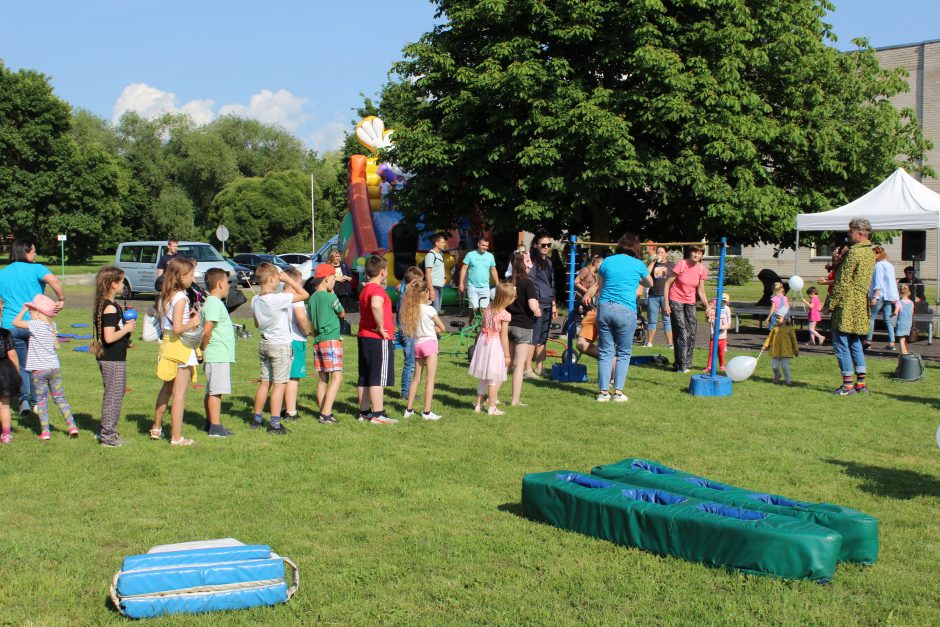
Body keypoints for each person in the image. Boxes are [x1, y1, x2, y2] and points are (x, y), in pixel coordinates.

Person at [0, 237, 65, 415]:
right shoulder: (36, 268)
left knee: (21, 365)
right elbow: (55, 281)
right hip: (35, 324)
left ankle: (24, 401)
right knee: (37, 364)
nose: (35, 253)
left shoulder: (3, 272)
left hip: (10, 325)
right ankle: (37, 401)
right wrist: (61, 299)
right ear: (25, 251)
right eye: (33, 250)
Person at [250, 262, 308, 434]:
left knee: (264, 383)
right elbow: (304, 294)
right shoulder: (277, 299)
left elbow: (256, 323)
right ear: (273, 279)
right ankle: (274, 423)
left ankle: (257, 418)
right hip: (280, 345)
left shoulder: (255, 299)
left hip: (265, 343)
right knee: (280, 384)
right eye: (278, 278)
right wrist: (288, 279)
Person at [594, 232, 652, 402]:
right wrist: (638, 282)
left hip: (605, 308)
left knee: (605, 351)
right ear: (635, 247)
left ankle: (603, 393)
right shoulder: (638, 264)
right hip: (626, 310)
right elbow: (650, 283)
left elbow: (601, 286)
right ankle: (618, 392)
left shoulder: (607, 262)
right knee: (624, 352)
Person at [151, 257, 201, 445]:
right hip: (180, 347)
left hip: (167, 344)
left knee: (166, 389)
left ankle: (156, 427)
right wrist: (194, 322)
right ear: (180, 276)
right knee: (179, 394)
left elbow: (170, 322)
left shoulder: (166, 295)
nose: (192, 278)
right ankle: (176, 437)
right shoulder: (181, 297)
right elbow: (179, 328)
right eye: (190, 274)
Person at [13, 295, 77, 440]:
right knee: (60, 398)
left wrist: (23, 310)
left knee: (41, 401)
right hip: (54, 368)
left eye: (32, 310)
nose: (30, 312)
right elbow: (54, 342)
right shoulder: (51, 325)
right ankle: (72, 426)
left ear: (37, 311)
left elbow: (15, 322)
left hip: (39, 370)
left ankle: (45, 432)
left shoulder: (34, 324)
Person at [827, 218, 876, 396]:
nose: (848, 234)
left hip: (848, 303)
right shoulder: (870, 253)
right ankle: (861, 384)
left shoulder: (854, 253)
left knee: (840, 342)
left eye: (851, 231)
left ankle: (847, 385)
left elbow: (842, 281)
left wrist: (829, 305)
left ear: (860, 234)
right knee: (855, 341)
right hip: (861, 302)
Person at [92, 267, 136, 447]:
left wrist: (125, 339)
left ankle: (106, 430)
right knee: (113, 396)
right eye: (121, 281)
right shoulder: (109, 307)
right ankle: (108, 436)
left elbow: (111, 333)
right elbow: (108, 337)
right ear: (112, 284)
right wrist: (126, 329)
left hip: (113, 356)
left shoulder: (107, 304)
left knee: (115, 393)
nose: (123, 285)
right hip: (112, 359)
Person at [357, 255, 396, 424]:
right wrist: (381, 327)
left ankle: (364, 412)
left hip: (364, 336)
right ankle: (378, 415)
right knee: (377, 376)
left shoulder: (365, 288)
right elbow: (375, 305)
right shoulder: (378, 290)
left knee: (365, 375)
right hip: (377, 338)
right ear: (382, 272)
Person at [400, 279, 445, 420]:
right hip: (430, 343)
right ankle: (426, 412)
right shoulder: (430, 310)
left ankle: (409, 409)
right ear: (424, 293)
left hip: (417, 344)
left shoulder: (412, 310)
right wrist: (433, 329)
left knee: (416, 379)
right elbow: (442, 328)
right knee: (430, 379)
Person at [199, 267, 235, 438]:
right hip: (216, 354)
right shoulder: (214, 303)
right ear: (220, 284)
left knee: (212, 389)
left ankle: (209, 422)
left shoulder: (214, 302)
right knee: (216, 391)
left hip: (218, 354)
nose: (228, 286)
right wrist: (202, 348)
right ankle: (215, 426)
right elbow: (207, 331)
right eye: (227, 282)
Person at [469, 282, 514, 415]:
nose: (514, 299)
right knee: (493, 377)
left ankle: (478, 404)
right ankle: (492, 407)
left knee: (484, 376)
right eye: (512, 297)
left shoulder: (489, 308)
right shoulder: (504, 314)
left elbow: (483, 325)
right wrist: (507, 355)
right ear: (506, 298)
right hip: (494, 344)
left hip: (484, 342)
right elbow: (504, 337)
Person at [309, 263, 345, 424]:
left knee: (323, 378)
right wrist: (333, 294)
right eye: (333, 279)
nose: (334, 282)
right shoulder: (331, 296)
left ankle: (323, 410)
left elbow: (311, 323)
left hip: (318, 340)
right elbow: (342, 312)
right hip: (331, 339)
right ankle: (326, 413)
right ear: (325, 279)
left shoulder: (312, 298)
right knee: (337, 376)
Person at [664, 245, 710, 373]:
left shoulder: (701, 269)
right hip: (675, 299)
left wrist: (708, 307)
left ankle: (685, 362)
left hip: (690, 301)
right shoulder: (681, 264)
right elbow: (667, 284)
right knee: (682, 332)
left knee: (692, 332)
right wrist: (666, 304)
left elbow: (701, 290)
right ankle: (682, 366)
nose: (696, 255)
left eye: (700, 253)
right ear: (690, 253)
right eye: (695, 252)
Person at [506, 252, 541, 406]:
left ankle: (492, 397)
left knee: (505, 363)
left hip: (506, 325)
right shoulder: (528, 283)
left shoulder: (507, 282)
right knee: (519, 365)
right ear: (526, 266)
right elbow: (533, 305)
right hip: (523, 326)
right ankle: (515, 400)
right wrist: (538, 311)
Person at [282, 266, 310, 420]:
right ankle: (291, 411)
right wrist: (305, 331)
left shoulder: (279, 296)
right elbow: (300, 316)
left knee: (283, 376)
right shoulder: (296, 298)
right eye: (300, 282)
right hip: (296, 340)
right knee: (293, 377)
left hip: (282, 339)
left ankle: (281, 406)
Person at [527, 230, 557, 377]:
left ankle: (540, 367)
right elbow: (530, 282)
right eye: (543, 244)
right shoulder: (531, 262)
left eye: (549, 244)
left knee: (543, 337)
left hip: (548, 303)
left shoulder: (549, 262)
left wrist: (554, 304)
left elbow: (552, 285)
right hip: (537, 304)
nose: (546, 247)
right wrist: (535, 302)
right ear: (535, 245)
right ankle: (527, 368)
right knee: (534, 336)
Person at [396, 266, 424, 400]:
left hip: (406, 331)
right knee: (410, 363)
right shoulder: (405, 296)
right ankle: (405, 392)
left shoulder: (404, 293)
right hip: (407, 332)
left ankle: (406, 391)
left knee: (410, 362)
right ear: (413, 282)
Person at [458, 236, 498, 323]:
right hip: (472, 286)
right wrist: (461, 283)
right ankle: (470, 320)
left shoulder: (490, 256)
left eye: (487, 246)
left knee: (484, 309)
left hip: (485, 287)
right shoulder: (470, 255)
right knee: (474, 308)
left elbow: (493, 270)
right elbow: (464, 268)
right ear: (478, 244)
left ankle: (484, 328)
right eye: (483, 245)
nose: (485, 248)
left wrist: (498, 283)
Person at [866, 245, 899, 350]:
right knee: (888, 319)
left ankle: (868, 340)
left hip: (880, 295)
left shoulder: (879, 265)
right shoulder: (890, 265)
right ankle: (892, 342)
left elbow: (878, 282)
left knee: (871, 317)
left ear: (878, 254)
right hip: (888, 296)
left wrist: (875, 296)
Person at [645, 246, 674, 348]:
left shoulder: (671, 265)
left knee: (667, 320)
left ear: (666, 254)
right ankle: (649, 342)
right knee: (652, 320)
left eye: (662, 252)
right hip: (653, 295)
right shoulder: (653, 264)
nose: (659, 254)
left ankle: (670, 344)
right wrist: (653, 262)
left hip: (666, 296)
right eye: (658, 252)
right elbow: (646, 274)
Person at [762, 316, 799, 385]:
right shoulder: (775, 328)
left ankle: (787, 380)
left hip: (786, 351)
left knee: (785, 366)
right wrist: (765, 345)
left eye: (779, 318)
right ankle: (777, 374)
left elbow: (794, 340)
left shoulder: (790, 329)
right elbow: (770, 337)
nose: (776, 319)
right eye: (776, 318)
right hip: (775, 350)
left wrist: (796, 350)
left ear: (785, 319)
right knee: (774, 366)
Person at [0, 326, 20, 443]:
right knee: (5, 405)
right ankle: (6, 434)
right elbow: (12, 355)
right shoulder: (5, 333)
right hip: (4, 371)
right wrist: (16, 372)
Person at [704, 293, 732, 373]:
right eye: (721, 301)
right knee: (712, 352)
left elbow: (728, 323)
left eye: (724, 301)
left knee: (721, 353)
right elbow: (708, 320)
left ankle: (722, 365)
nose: (722, 302)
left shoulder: (725, 311)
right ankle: (709, 367)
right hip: (713, 337)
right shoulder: (714, 312)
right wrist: (708, 315)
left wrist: (723, 327)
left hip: (722, 337)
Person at [424, 232, 448, 313]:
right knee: (435, 311)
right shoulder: (431, 255)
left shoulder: (440, 254)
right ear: (436, 243)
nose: (444, 244)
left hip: (440, 285)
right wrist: (431, 289)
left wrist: (444, 278)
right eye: (443, 242)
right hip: (433, 286)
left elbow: (441, 268)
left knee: (436, 310)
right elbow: (427, 273)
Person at [326, 249, 355, 313]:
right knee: (333, 309)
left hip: (345, 291)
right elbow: (326, 278)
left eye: (339, 256)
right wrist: (336, 279)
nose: (338, 258)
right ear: (332, 257)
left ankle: (341, 322)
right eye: (336, 256)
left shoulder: (343, 265)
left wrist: (346, 277)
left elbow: (351, 277)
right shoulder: (328, 266)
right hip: (333, 291)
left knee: (342, 309)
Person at [894, 284, 915, 355]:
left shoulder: (899, 302)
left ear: (899, 292)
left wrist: (891, 315)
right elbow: (912, 312)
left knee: (901, 338)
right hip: (908, 322)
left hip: (901, 322)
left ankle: (903, 353)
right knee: (904, 337)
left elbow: (896, 312)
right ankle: (905, 351)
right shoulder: (911, 302)